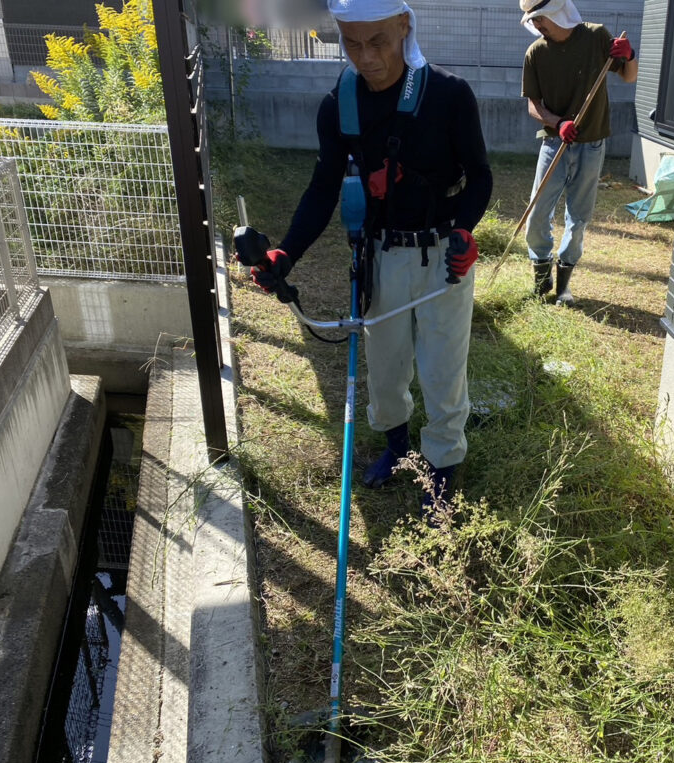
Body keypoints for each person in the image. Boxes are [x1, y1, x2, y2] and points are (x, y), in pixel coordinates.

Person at [249, 0, 493, 509]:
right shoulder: (340, 104)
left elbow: (481, 175)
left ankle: (443, 465)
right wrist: (285, 253)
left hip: (443, 254)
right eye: (352, 42)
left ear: (405, 25)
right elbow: (323, 188)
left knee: (443, 369)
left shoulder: (448, 95)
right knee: (385, 367)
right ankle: (398, 447)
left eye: (378, 40)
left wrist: (465, 234)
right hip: (380, 257)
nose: (367, 57)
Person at [519, 0, 638, 306]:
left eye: (540, 19)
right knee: (537, 213)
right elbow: (533, 105)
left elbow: (628, 76)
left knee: (579, 216)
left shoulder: (597, 37)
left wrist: (629, 55)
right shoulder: (536, 52)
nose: (537, 25)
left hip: (592, 142)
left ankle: (563, 288)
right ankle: (541, 279)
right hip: (554, 143)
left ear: (555, 13)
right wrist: (558, 123)